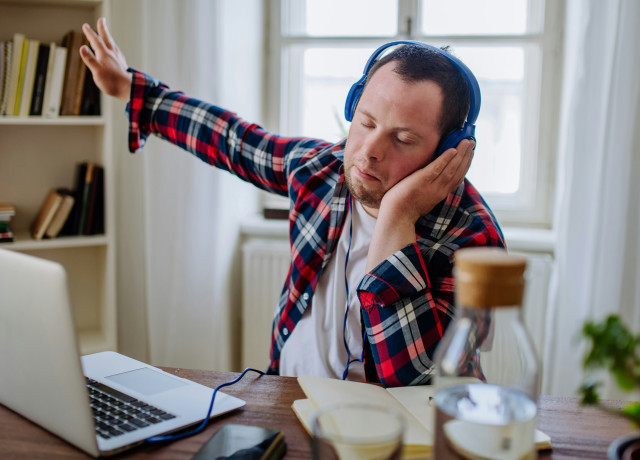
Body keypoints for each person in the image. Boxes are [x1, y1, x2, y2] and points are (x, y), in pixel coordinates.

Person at [80, 18, 504, 388]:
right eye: (366, 122)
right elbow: (233, 141)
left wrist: (398, 216)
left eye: (403, 138)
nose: (369, 151)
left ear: (450, 151)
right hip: (289, 397)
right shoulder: (322, 169)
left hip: (396, 433)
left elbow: (410, 377)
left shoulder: (476, 241)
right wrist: (135, 91)